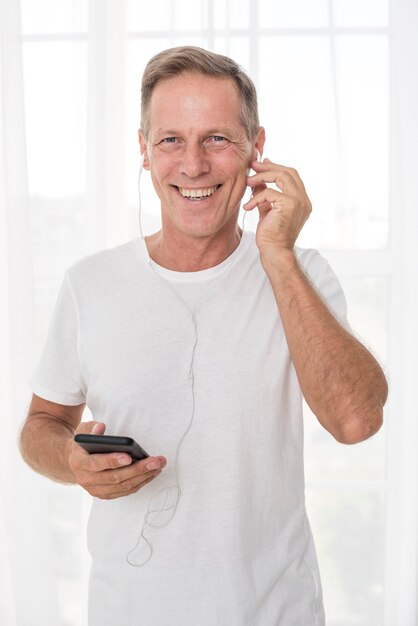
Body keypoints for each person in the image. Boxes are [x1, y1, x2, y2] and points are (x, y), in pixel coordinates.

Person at [20, 46, 388, 625]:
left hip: (274, 612)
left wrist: (278, 257)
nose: (193, 165)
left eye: (217, 138)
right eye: (170, 140)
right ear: (143, 149)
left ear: (256, 148)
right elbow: (40, 427)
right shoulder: (90, 283)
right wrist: (72, 461)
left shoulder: (302, 273)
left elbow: (356, 420)